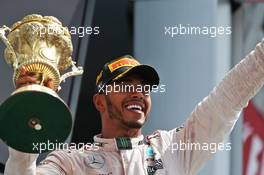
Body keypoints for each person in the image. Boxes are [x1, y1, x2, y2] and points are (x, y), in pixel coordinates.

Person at [4, 39, 264, 175]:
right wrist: (29, 111)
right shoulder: (71, 163)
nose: (138, 93)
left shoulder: (171, 148)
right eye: (125, 86)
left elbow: (228, 98)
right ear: (99, 101)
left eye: (144, 88)